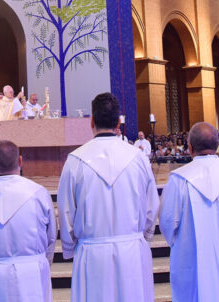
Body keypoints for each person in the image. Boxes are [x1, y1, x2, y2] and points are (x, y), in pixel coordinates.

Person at [57, 93, 159, 302]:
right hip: (131, 251)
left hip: (92, 255)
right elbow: (151, 205)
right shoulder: (138, 158)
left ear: (91, 121)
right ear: (118, 122)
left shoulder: (76, 160)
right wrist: (143, 235)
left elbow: (66, 211)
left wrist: (70, 247)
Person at [159, 122, 219, 302]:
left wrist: (184, 244)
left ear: (190, 147)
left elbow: (167, 223)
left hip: (191, 260)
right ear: (217, 146)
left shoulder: (179, 180)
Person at [0, 140, 56, 302]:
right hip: (33, 272)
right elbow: (51, 236)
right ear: (20, 161)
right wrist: (41, 262)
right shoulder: (38, 193)